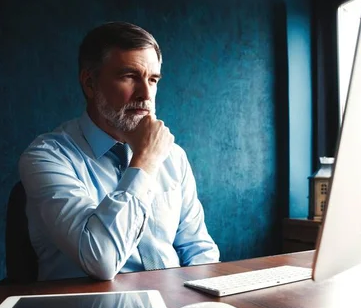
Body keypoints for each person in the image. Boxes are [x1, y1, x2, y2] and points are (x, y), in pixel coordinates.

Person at [19, 22, 220, 281]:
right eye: (130, 76)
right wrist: (144, 163)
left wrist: (205, 304)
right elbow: (100, 260)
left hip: (177, 307)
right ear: (90, 83)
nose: (146, 94)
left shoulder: (174, 156)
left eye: (153, 79)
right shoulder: (47, 156)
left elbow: (198, 249)